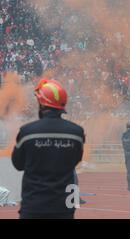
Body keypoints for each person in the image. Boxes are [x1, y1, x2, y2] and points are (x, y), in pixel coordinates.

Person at [11, 78, 85, 219]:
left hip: (33, 207)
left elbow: (18, 164)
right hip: (63, 208)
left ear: (41, 103)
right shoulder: (76, 133)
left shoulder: (27, 132)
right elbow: (75, 160)